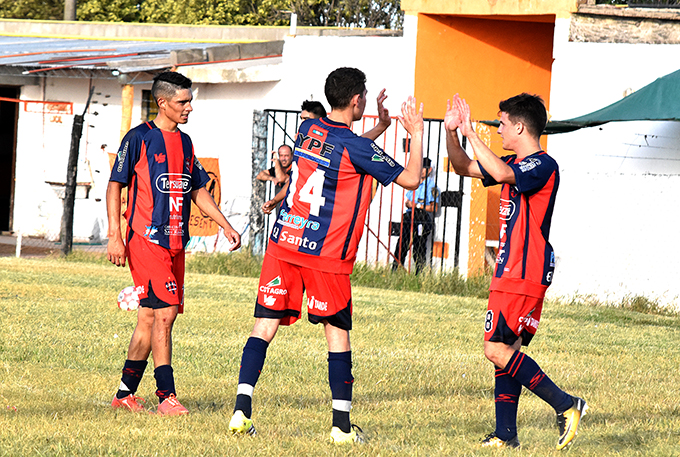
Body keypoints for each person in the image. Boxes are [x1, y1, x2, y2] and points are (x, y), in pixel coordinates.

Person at [228, 67, 425, 444]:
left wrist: (380, 127)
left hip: (284, 245)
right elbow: (410, 178)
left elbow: (345, 155)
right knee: (337, 335)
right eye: (364, 96)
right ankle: (341, 428)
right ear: (356, 101)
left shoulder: (308, 131)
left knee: (263, 328)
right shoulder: (357, 147)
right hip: (326, 256)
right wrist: (414, 133)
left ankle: (241, 410)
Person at [444, 93, 587, 450]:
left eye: (503, 124)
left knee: (495, 349)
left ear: (520, 126)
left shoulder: (542, 164)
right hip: (512, 270)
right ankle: (506, 434)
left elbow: (504, 172)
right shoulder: (510, 162)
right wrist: (452, 132)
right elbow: (463, 167)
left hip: (525, 270)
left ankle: (566, 404)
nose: (500, 130)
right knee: (506, 348)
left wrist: (471, 130)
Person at [106, 71, 241, 415]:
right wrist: (114, 236)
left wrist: (225, 225)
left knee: (150, 319)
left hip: (176, 243)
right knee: (165, 315)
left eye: (190, 100)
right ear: (162, 102)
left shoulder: (185, 143)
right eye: (183, 101)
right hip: (145, 240)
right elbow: (114, 185)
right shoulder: (138, 138)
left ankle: (124, 394)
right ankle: (166, 396)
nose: (190, 107)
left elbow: (198, 189)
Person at [392, 156, 440, 274]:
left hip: (422, 218)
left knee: (419, 248)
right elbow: (408, 201)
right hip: (410, 217)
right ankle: (395, 271)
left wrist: (416, 206)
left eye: (424, 168)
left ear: (429, 170)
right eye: (420, 167)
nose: (421, 170)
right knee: (401, 245)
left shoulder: (432, 187)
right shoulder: (414, 183)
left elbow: (434, 208)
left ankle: (419, 274)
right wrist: (410, 205)